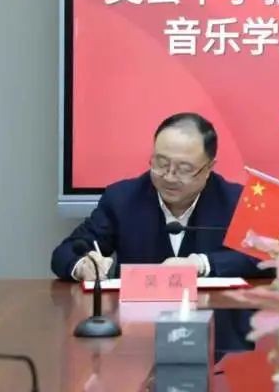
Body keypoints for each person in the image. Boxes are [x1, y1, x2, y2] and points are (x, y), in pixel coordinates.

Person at [51, 113, 261, 281]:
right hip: (137, 318)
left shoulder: (238, 201)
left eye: (184, 169)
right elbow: (65, 252)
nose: (169, 177)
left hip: (215, 316)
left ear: (208, 168)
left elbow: (263, 259)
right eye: (161, 164)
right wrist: (83, 266)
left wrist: (201, 264)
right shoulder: (122, 199)